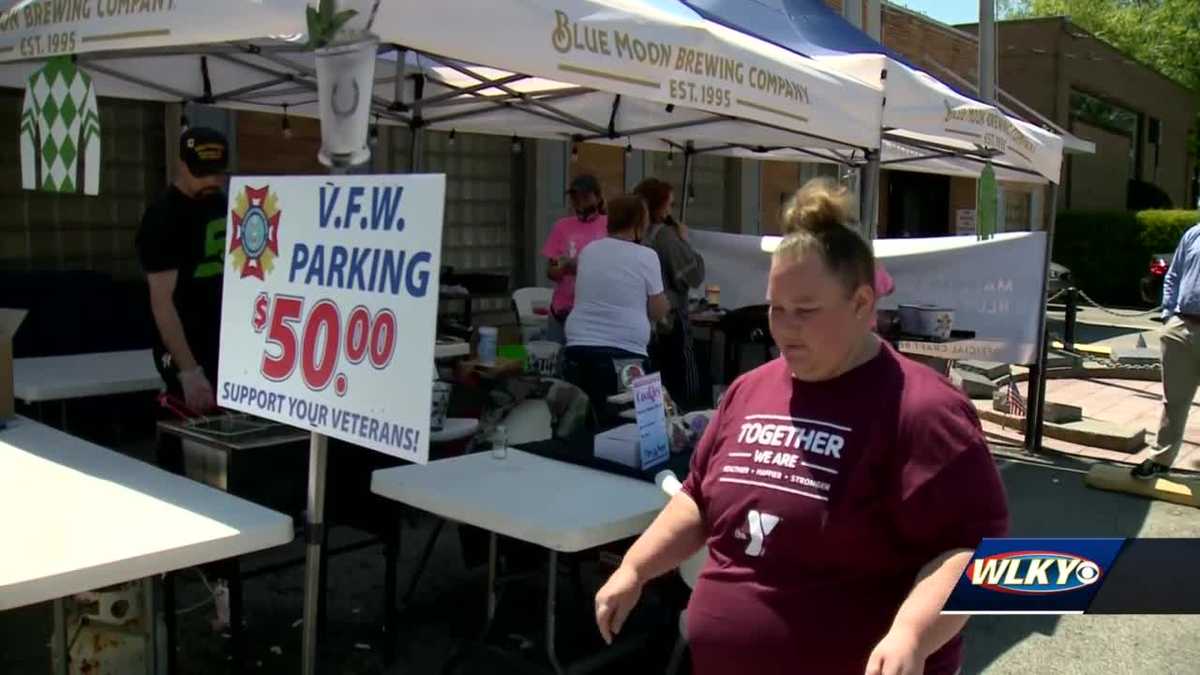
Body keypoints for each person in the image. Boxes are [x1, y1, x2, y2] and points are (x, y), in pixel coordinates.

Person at [594, 179, 1009, 675]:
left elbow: (975, 552)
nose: (784, 327)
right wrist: (636, 568)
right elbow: (698, 497)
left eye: (806, 311)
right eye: (776, 309)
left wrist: (911, 635)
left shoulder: (925, 410)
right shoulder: (749, 391)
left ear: (861, 304)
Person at [136, 126, 230, 415]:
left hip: (223, 340)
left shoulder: (223, 204)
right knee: (188, 431)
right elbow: (162, 302)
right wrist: (188, 369)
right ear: (182, 164)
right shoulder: (163, 217)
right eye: (201, 172)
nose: (211, 180)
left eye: (217, 172)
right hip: (185, 344)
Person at [564, 195, 671, 424]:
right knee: (633, 425)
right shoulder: (646, 256)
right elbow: (657, 311)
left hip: (578, 345)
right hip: (624, 351)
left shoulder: (589, 251)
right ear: (640, 223)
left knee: (581, 423)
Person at [1133, 219, 1200, 479]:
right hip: (1181, 326)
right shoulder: (1194, 233)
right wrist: (1168, 315)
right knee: (1174, 400)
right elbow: (1174, 275)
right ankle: (1161, 459)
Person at [634, 178, 706, 409]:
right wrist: (684, 241)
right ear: (659, 206)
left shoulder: (636, 234)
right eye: (669, 204)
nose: (671, 209)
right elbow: (693, 275)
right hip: (670, 320)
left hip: (643, 320)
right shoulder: (665, 236)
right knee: (682, 376)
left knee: (652, 381)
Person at [541, 174, 609, 343]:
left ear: (598, 197)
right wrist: (563, 268)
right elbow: (551, 270)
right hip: (562, 310)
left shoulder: (610, 225)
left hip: (596, 312)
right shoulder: (561, 226)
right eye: (575, 198)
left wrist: (584, 267)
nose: (580, 203)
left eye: (585, 197)